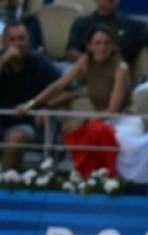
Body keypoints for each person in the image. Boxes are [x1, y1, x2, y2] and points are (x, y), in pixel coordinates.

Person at [16, 24, 133, 177]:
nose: (102, 47)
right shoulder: (85, 61)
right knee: (74, 130)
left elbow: (112, 110)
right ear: (89, 46)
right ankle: (87, 176)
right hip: (99, 120)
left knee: (89, 129)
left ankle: (103, 177)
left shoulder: (121, 68)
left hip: (122, 120)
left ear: (113, 46)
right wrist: (31, 104)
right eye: (97, 43)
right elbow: (58, 85)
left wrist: (82, 121)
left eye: (106, 43)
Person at [0, 22, 60, 170]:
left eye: (21, 39)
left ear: (28, 41)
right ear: (4, 43)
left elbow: (69, 91)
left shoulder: (39, 63)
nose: (17, 43)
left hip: (29, 123)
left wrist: (47, 107)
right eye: (12, 39)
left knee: (15, 138)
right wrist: (3, 62)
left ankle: (6, 184)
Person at [66, 0, 148, 66]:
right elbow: (71, 51)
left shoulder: (131, 26)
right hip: (83, 71)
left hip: (115, 76)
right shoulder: (82, 23)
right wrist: (92, 66)